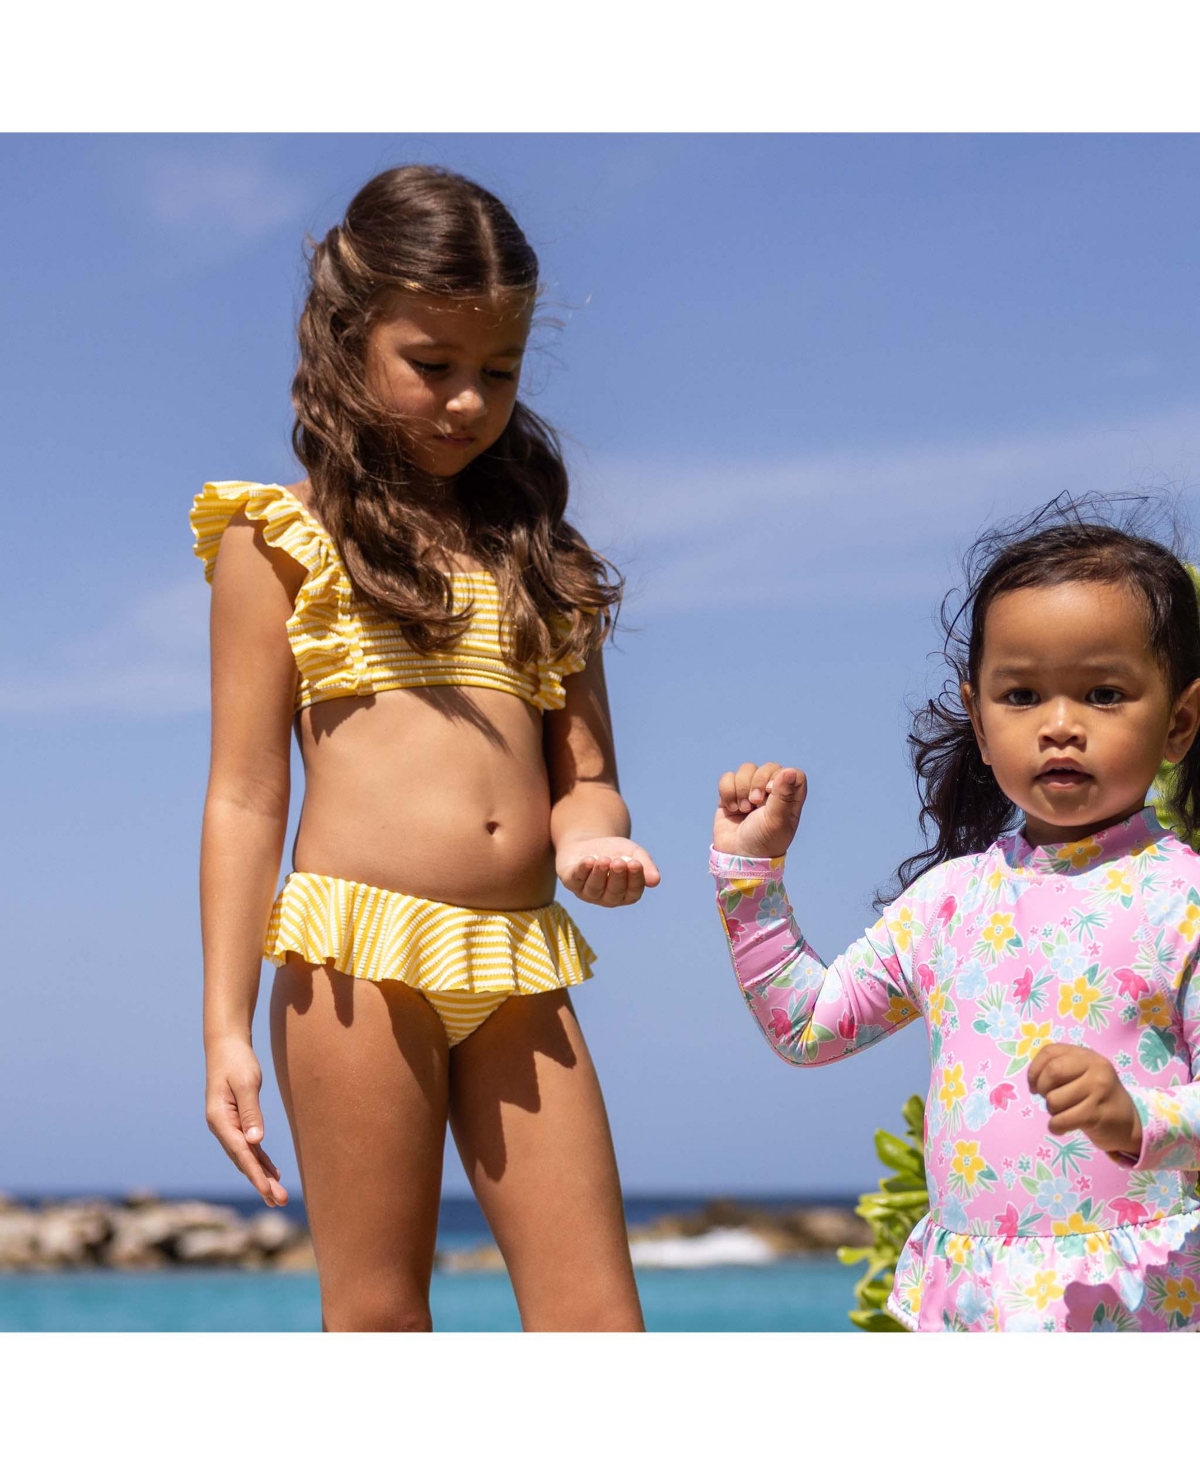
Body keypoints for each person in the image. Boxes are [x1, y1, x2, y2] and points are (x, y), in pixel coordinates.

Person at [191, 165, 656, 1332]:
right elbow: (245, 796)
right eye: (432, 362)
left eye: (498, 370)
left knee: (600, 1326)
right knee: (381, 1319)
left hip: (521, 965)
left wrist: (594, 843)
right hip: (357, 960)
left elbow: (588, 779)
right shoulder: (279, 539)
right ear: (350, 338)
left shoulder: (541, 556)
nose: (466, 400)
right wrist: (225, 1028)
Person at [710, 506, 1200, 1330]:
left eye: (1104, 694)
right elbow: (807, 1027)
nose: (1059, 725)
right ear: (979, 718)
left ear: (1178, 722)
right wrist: (749, 877)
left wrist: (1137, 1117)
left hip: (1142, 1301)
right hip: (969, 1306)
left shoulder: (1182, 899)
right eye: (1022, 695)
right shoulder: (949, 902)